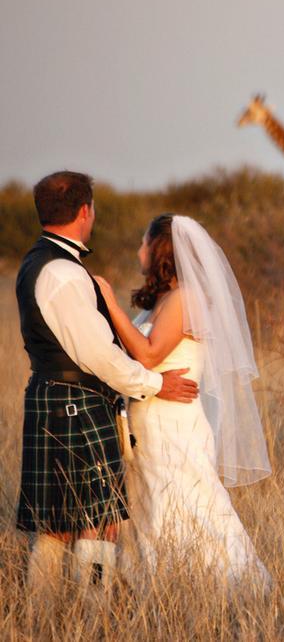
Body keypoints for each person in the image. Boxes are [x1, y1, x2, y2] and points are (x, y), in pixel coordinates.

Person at [15, 171, 199, 598]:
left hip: (55, 398)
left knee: (57, 523)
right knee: (100, 523)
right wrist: (153, 384)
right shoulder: (64, 272)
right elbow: (98, 355)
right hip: (77, 402)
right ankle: (88, 615)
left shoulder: (35, 262)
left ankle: (41, 619)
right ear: (85, 211)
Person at [93, 213, 271, 589]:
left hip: (172, 425)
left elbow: (148, 355)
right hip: (148, 425)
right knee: (153, 509)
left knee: (187, 506)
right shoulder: (162, 300)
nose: (139, 249)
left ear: (161, 250)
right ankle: (161, 590)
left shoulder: (184, 298)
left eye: (144, 242)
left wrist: (108, 301)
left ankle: (228, 586)